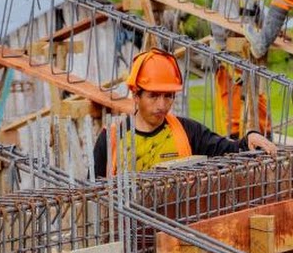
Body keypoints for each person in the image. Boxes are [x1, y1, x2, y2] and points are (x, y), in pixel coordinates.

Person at [93, 48, 277, 178]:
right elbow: (92, 195)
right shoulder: (111, 139)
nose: (162, 105)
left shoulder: (187, 131)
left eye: (168, 96)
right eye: (153, 96)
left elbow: (230, 150)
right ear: (135, 95)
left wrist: (248, 139)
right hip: (127, 231)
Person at [210, 0, 271, 139]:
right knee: (234, 112)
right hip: (229, 62)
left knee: (260, 107)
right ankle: (235, 148)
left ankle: (265, 139)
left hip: (249, 63)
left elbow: (267, 22)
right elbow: (231, 28)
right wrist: (254, 35)